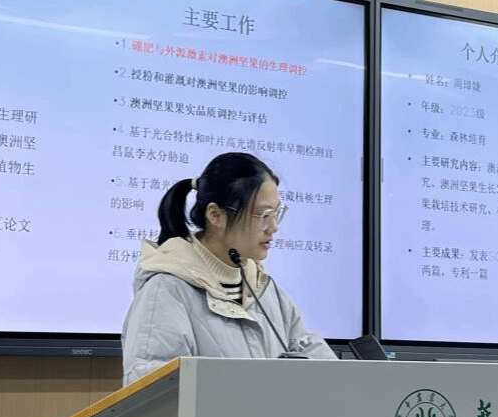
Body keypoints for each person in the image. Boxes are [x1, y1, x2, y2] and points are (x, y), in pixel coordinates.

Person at [121, 151, 338, 385]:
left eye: (277, 213)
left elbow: (315, 359)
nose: (274, 227)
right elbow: (154, 388)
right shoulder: (166, 289)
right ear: (216, 215)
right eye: (264, 215)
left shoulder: (263, 287)